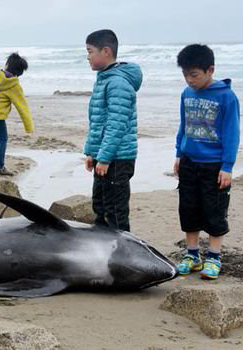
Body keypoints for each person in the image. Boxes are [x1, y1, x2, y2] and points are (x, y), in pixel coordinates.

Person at [174, 44, 240, 280]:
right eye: (185, 75)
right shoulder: (187, 93)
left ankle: (213, 256)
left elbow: (232, 133)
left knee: (214, 211)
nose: (189, 80)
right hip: (190, 160)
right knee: (189, 208)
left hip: (214, 165)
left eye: (194, 75)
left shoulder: (226, 96)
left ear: (210, 70)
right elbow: (184, 126)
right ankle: (192, 255)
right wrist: (179, 154)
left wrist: (227, 167)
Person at [83, 29, 142, 232]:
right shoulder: (104, 79)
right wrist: (93, 153)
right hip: (105, 156)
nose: (88, 56)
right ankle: (103, 256)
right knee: (100, 207)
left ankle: (123, 258)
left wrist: (106, 157)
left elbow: (116, 125)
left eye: (90, 51)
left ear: (106, 51)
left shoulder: (117, 83)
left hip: (117, 159)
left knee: (115, 212)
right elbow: (98, 122)